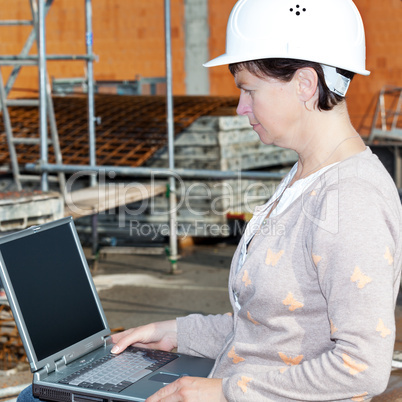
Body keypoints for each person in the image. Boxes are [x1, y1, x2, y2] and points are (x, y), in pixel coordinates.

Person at [18, 0, 402, 401]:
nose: (241, 107)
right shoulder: (305, 177)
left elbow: (363, 367)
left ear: (306, 84)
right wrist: (176, 333)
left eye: (249, 90)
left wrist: (224, 393)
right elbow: (267, 327)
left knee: (36, 398)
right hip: (234, 382)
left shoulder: (354, 197)